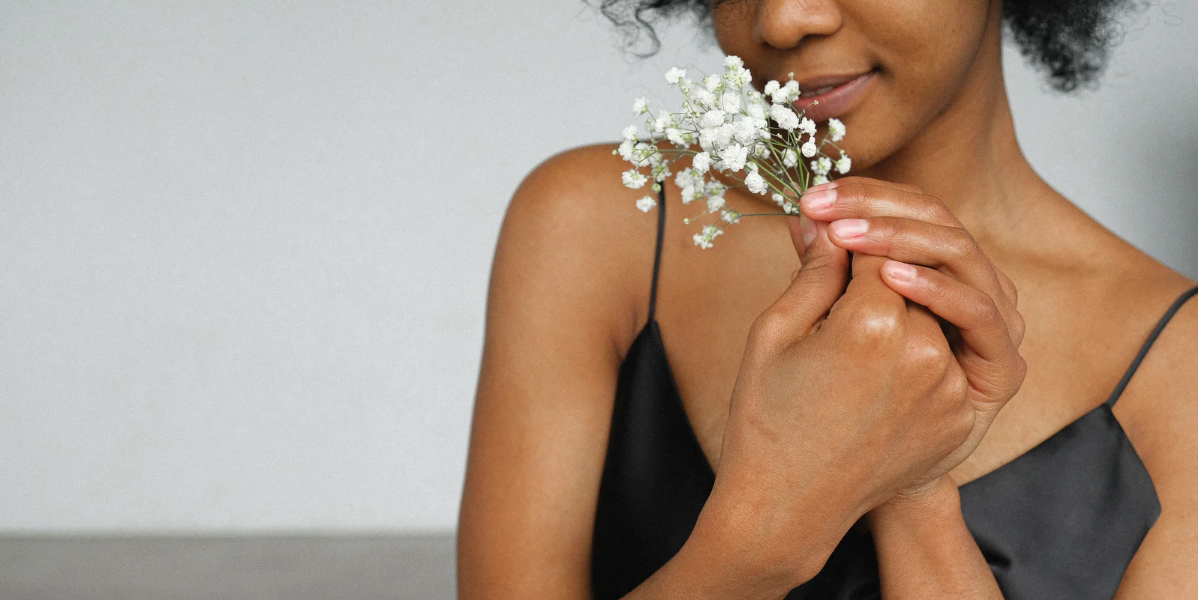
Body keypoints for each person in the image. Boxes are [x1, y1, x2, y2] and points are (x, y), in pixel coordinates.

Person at [457, 0, 1198, 597]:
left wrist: (914, 489)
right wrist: (765, 534)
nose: (782, 19)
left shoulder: (1180, 368)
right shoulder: (596, 226)